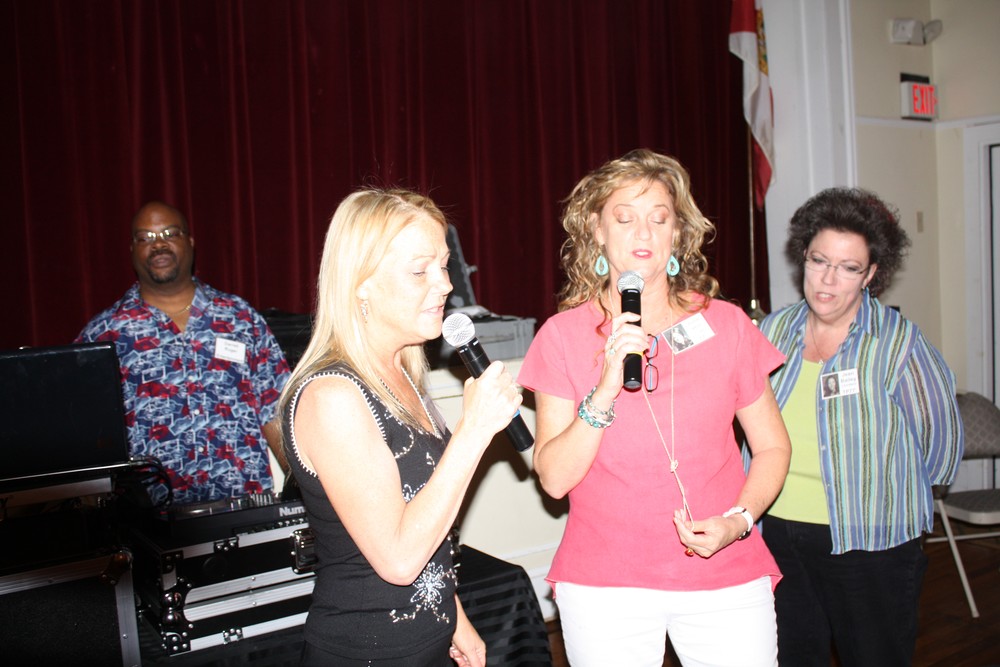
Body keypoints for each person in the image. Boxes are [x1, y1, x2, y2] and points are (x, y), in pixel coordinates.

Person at [518, 149, 792, 667]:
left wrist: (739, 520)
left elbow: (773, 447)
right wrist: (604, 390)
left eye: (659, 218)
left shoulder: (727, 325)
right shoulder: (561, 337)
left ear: (677, 234)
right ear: (597, 231)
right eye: (624, 218)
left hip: (723, 571)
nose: (643, 232)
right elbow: (553, 479)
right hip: (605, 585)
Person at [278, 188, 522, 666]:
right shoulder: (333, 396)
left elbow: (421, 518)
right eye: (419, 271)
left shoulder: (403, 375)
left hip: (426, 644)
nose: (445, 285)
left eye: (444, 266)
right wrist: (473, 430)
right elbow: (398, 559)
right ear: (361, 283)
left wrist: (455, 617)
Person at [757, 187, 964, 666]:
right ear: (803, 257)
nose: (828, 280)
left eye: (848, 267)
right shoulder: (772, 332)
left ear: (871, 274)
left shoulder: (899, 344)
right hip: (779, 533)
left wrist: (885, 497)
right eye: (818, 261)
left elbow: (941, 444)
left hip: (872, 540)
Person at [76, 201, 291, 505]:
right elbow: (85, 432)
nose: (158, 244)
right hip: (150, 515)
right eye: (145, 238)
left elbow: (275, 411)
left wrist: (304, 491)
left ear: (190, 242)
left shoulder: (239, 318)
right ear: (132, 250)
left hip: (243, 506)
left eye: (170, 233)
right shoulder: (105, 333)